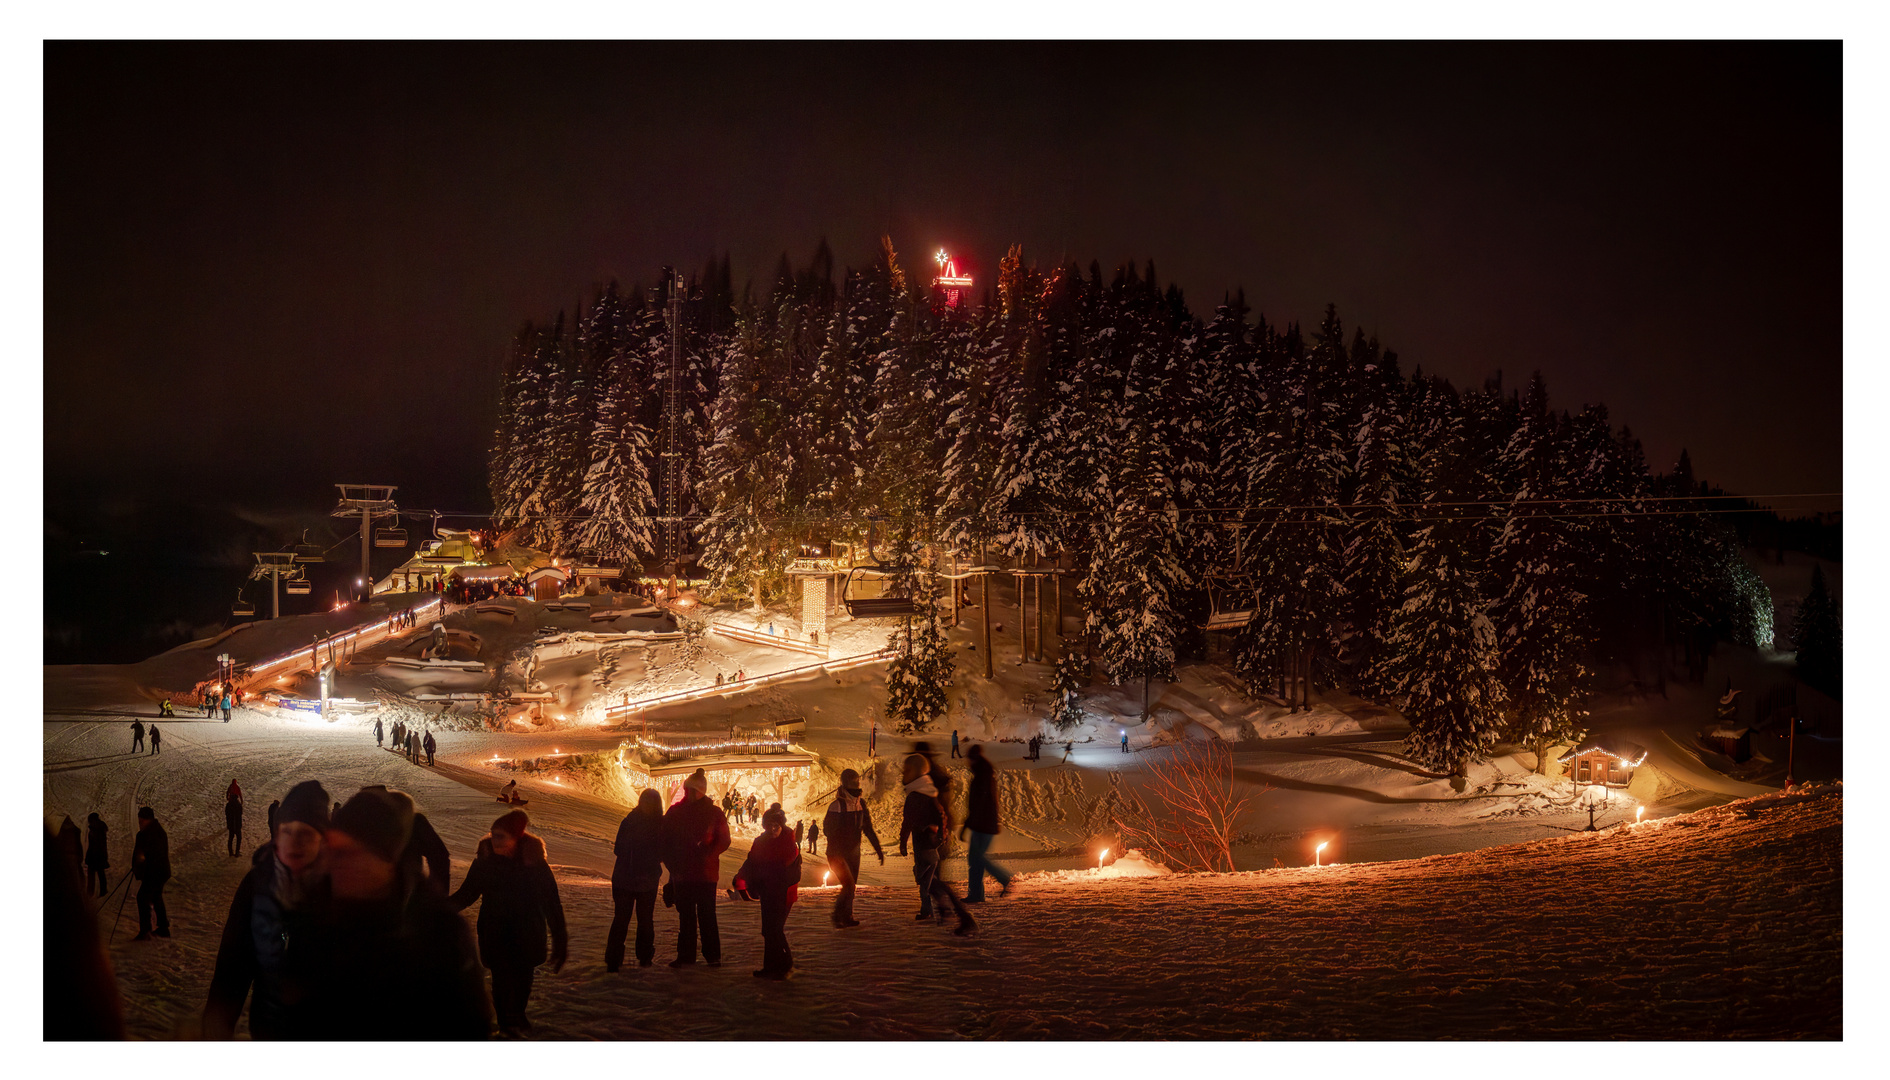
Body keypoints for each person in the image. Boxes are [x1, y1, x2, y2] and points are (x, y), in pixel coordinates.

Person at [290, 786, 493, 1039]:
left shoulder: (438, 931)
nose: (334, 863)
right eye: (332, 850)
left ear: (386, 860)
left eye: (349, 853)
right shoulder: (317, 919)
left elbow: (468, 1028)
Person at [201, 781, 332, 1039]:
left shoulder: (339, 888)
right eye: (287, 832)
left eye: (306, 834)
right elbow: (231, 973)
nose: (295, 843)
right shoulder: (257, 886)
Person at [449, 810, 567, 1038]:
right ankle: (506, 1023)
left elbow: (551, 902)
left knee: (523, 979)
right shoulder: (485, 862)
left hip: (528, 931)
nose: (494, 841)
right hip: (495, 931)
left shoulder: (535, 864)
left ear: (517, 837)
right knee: (501, 980)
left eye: (501, 836)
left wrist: (560, 940)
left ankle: (517, 1014)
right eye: (493, 835)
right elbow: (467, 893)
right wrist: (439, 910)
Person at [659, 768, 730, 967]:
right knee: (686, 916)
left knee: (707, 915)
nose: (688, 793)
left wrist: (708, 852)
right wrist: (672, 862)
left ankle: (712, 955)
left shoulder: (714, 813)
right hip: (683, 873)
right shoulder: (675, 812)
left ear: (701, 792)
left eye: (692, 790)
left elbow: (724, 840)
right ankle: (686, 955)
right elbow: (665, 840)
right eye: (687, 789)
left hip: (705, 874)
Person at [897, 754, 975, 935]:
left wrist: (903, 842)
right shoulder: (927, 792)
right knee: (931, 882)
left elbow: (907, 822)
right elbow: (941, 815)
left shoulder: (915, 796)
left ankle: (964, 917)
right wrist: (941, 835)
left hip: (924, 844)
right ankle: (950, 913)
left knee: (929, 882)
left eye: (907, 770)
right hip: (930, 844)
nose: (903, 773)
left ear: (915, 772)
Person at [732, 803, 801, 980]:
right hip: (767, 890)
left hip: (783, 892)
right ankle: (772, 966)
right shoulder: (760, 842)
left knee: (774, 929)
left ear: (782, 825)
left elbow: (786, 865)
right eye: (769, 825)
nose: (772, 829)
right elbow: (751, 862)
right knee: (769, 930)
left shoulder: (789, 843)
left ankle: (783, 964)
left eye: (776, 826)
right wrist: (740, 879)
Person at [606, 788, 665, 972]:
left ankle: (628, 958)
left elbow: (619, 849)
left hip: (635, 878)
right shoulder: (652, 824)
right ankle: (627, 958)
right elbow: (620, 849)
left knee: (636, 919)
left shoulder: (633, 821)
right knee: (633, 919)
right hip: (633, 878)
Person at [822, 768, 884, 928]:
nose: (856, 783)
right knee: (848, 885)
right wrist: (840, 839)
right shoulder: (837, 805)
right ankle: (837, 915)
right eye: (853, 781)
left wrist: (878, 849)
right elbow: (827, 830)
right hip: (837, 854)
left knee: (851, 886)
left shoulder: (860, 804)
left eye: (857, 780)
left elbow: (868, 828)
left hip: (854, 853)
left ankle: (847, 915)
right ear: (845, 782)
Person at [962, 745, 1014, 903]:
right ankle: (976, 895)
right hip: (984, 824)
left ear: (974, 759)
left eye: (969, 759)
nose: (968, 763)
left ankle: (1003, 878)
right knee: (975, 859)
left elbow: (979, 804)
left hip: (982, 825)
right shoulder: (984, 774)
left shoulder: (981, 777)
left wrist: (967, 825)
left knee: (977, 858)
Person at [130, 806, 171, 940]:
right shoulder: (151, 832)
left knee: (143, 898)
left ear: (147, 819)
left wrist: (142, 864)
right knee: (156, 897)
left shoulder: (152, 833)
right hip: (157, 872)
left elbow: (152, 855)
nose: (140, 822)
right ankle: (163, 928)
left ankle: (146, 930)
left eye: (142, 820)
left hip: (155, 872)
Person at [56, 816, 84, 893]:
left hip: (68, 857)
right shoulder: (76, 831)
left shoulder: (65, 833)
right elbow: (79, 845)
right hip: (72, 857)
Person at [83, 813, 110, 897]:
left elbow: (94, 845)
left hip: (95, 855)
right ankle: (102, 891)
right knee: (100, 874)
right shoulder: (100, 829)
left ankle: (91, 893)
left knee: (93, 875)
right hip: (99, 855)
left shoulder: (95, 830)